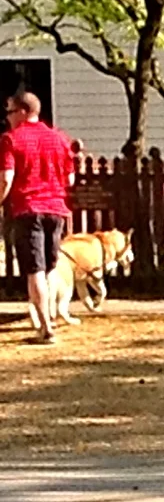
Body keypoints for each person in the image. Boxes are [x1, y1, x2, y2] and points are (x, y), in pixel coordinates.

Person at [0, 90, 75, 342]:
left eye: (9, 111)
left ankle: (46, 328)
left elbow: (6, 179)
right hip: (56, 209)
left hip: (27, 209)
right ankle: (51, 315)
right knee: (51, 267)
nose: (7, 117)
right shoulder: (59, 139)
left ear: (23, 112)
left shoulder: (10, 139)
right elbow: (70, 178)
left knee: (35, 270)